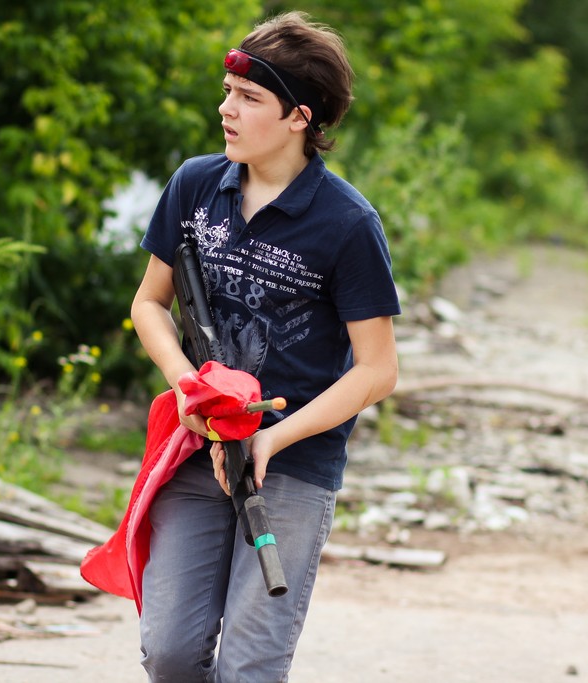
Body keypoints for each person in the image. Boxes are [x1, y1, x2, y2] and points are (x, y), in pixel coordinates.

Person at [129, 11, 400, 682]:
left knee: (251, 665)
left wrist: (274, 439)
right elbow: (148, 304)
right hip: (196, 449)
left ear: (299, 117)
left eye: (249, 98)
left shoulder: (348, 223)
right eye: (227, 92)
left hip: (293, 464)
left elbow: (378, 369)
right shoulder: (196, 184)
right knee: (169, 653)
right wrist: (187, 386)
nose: (226, 109)